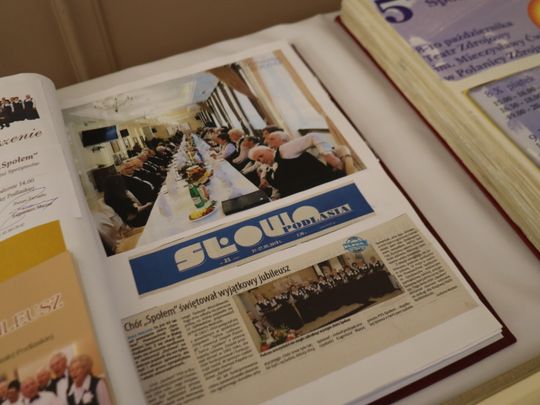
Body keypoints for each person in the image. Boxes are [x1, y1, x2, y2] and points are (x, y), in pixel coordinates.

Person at [248, 144, 343, 198]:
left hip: (319, 191)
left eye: (261, 156)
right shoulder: (269, 170)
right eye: (258, 160)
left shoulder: (289, 155)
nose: (261, 160)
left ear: (269, 150)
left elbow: (316, 173)